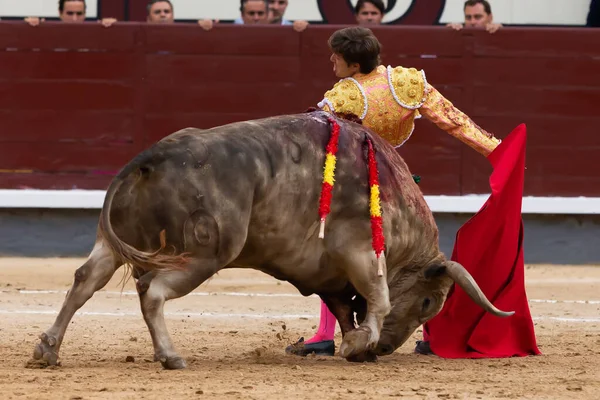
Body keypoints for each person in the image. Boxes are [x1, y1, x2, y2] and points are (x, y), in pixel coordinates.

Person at [285, 26, 539, 359]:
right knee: (424, 262)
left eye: (337, 57)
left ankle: (324, 334)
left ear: (353, 66)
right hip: (402, 189)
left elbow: (317, 145)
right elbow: (455, 122)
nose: (332, 60)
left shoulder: (342, 97)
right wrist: (498, 152)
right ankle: (434, 333)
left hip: (359, 194)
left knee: (335, 255)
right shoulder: (406, 83)